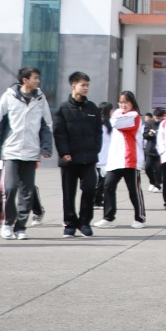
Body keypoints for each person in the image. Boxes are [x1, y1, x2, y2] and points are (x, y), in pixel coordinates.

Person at [0, 67, 50, 229]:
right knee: (10, 187)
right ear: (25, 80)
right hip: (10, 151)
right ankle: (7, 223)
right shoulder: (9, 97)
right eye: (35, 78)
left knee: (27, 192)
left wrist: (46, 146)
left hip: (31, 151)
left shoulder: (40, 99)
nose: (38, 81)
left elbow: (46, 125)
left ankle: (21, 227)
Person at [53, 72, 104, 237]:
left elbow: (98, 132)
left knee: (90, 188)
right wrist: (64, 152)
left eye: (87, 85)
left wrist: (96, 149)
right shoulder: (63, 108)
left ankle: (84, 222)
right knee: (69, 193)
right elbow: (59, 133)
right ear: (73, 85)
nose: (86, 88)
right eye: (83, 85)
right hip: (69, 158)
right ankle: (69, 223)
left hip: (88, 158)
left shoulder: (93, 108)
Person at [97, 91, 148, 227]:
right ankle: (108, 217)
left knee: (134, 190)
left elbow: (116, 124)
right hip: (115, 159)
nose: (123, 105)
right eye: (121, 102)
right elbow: (114, 122)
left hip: (130, 158)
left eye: (126, 102)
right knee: (108, 186)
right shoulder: (117, 114)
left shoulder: (135, 116)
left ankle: (140, 217)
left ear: (132, 103)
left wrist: (114, 117)